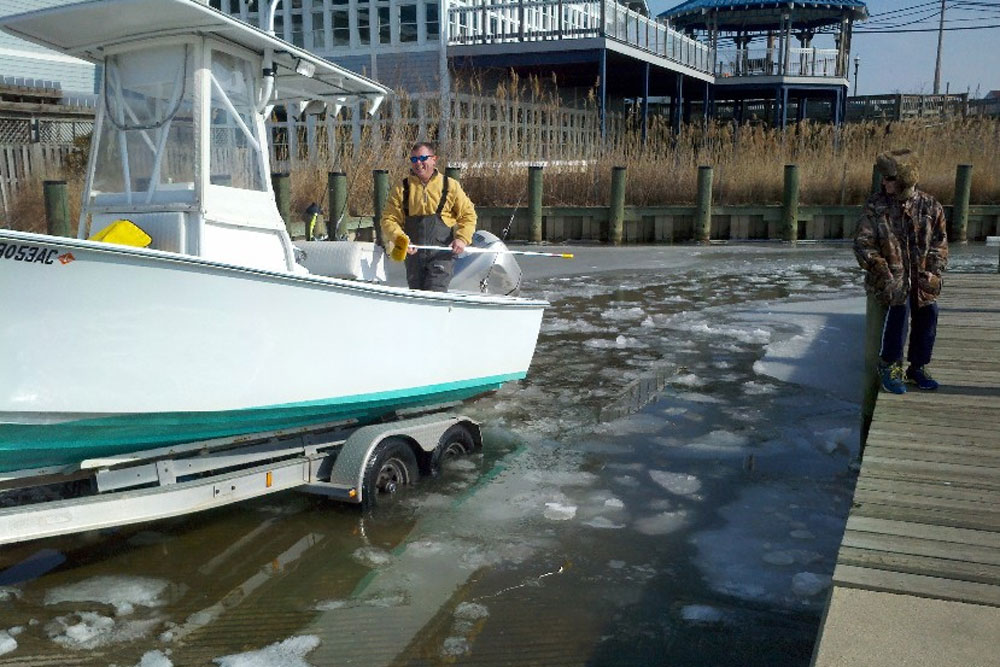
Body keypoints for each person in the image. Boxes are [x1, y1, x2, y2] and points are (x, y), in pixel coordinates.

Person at [854, 149, 949, 394]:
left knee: (929, 311)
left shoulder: (931, 206)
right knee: (899, 306)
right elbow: (863, 244)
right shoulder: (876, 206)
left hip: (920, 277)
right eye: (883, 178)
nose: (884, 182)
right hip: (888, 279)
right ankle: (889, 365)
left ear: (906, 179)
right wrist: (881, 268)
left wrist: (934, 273)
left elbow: (940, 244)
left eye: (890, 178)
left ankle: (917, 367)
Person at [380, 142, 477, 292]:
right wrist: (400, 238)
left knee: (435, 293)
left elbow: (468, 215)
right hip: (413, 257)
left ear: (434, 159)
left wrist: (462, 238)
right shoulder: (401, 188)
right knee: (417, 295)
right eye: (414, 160)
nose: (418, 163)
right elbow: (388, 219)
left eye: (423, 158)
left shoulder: (450, 186)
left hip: (442, 255)